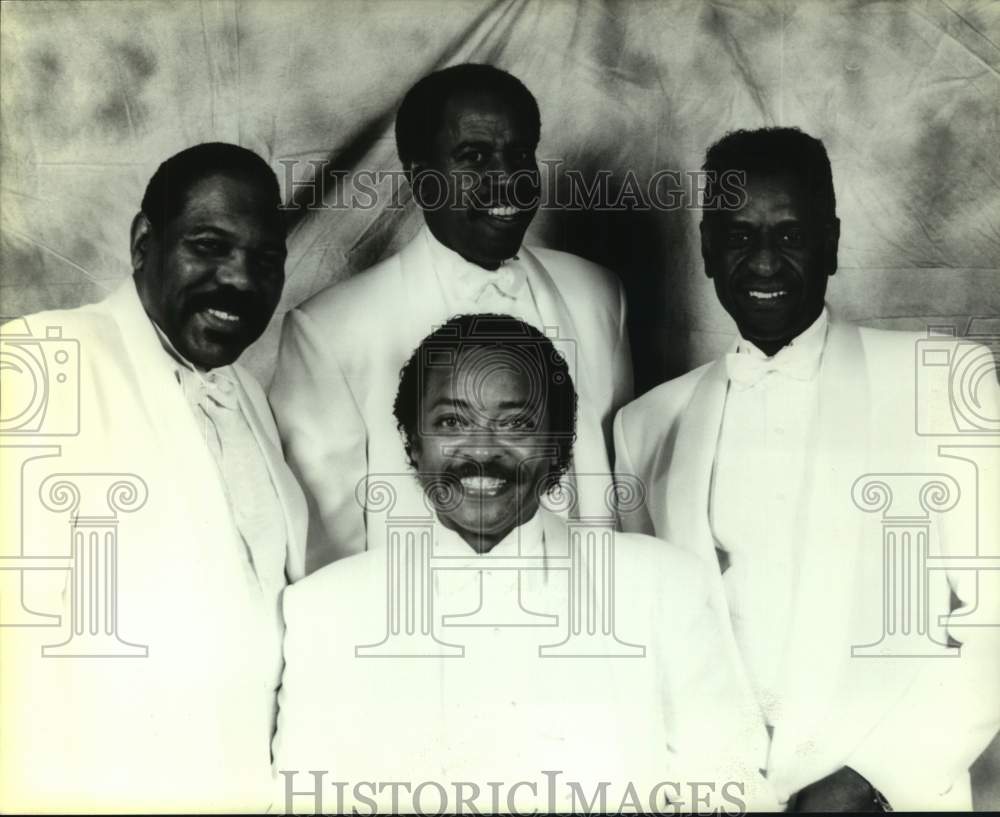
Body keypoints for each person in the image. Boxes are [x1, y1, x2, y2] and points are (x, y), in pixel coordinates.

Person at [613, 127, 1000, 811]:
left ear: (833, 242)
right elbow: (647, 653)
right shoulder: (645, 426)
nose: (763, 263)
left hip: (891, 796)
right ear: (705, 247)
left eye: (790, 235)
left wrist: (875, 775)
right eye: (738, 236)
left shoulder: (942, 380)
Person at [273, 313, 777, 813]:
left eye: (516, 423)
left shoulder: (664, 586)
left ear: (558, 446)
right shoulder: (325, 610)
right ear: (411, 443)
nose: (482, 450)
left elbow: (730, 785)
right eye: (452, 421)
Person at [0, 142, 307, 812]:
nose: (240, 280)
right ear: (145, 242)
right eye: (208, 245)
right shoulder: (37, 364)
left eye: (265, 260)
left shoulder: (247, 397)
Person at [270, 63, 632, 571]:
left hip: (584, 619)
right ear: (422, 180)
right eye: (475, 157)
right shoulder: (329, 331)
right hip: (423, 633)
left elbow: (616, 491)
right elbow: (327, 557)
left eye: (520, 154)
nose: (507, 178)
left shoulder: (599, 295)